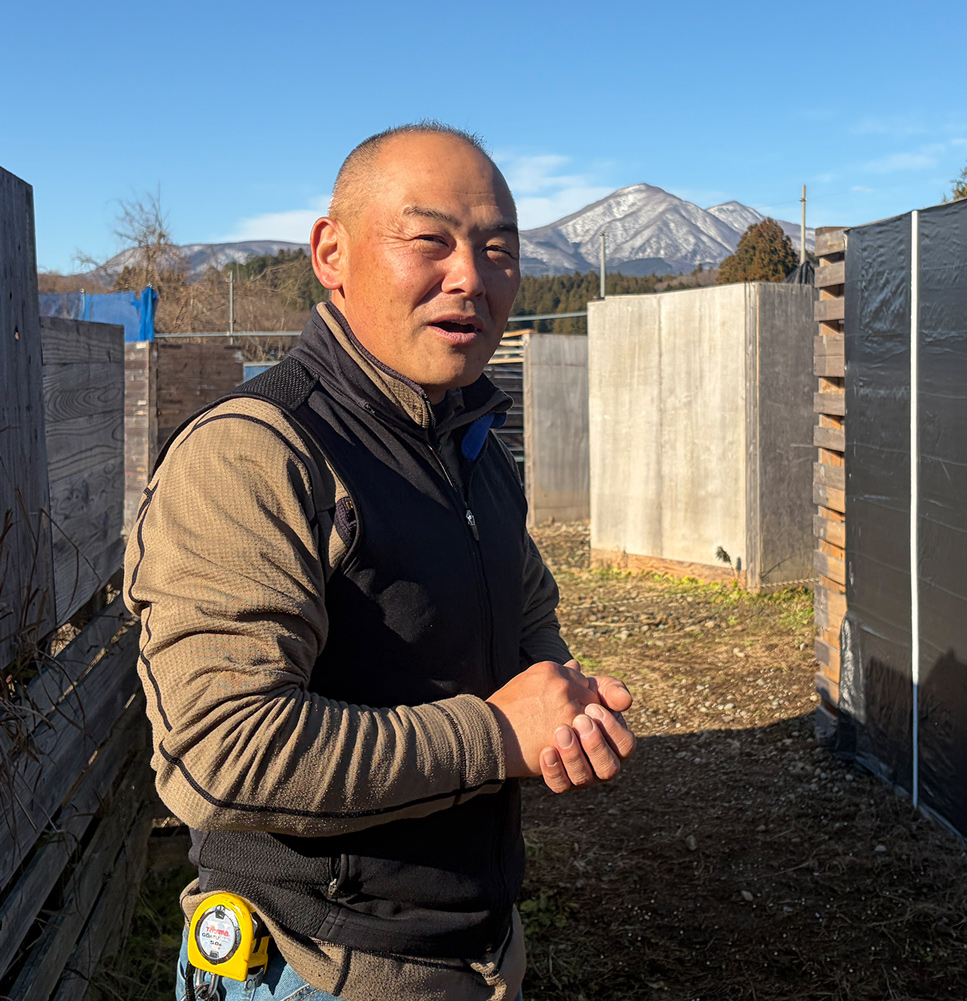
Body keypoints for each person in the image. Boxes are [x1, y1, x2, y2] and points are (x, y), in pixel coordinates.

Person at [126, 122, 634, 1001]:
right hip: (318, 963)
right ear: (332, 253)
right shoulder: (254, 453)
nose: (471, 276)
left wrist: (560, 698)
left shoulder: (472, 442)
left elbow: (522, 601)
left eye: (499, 250)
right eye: (430, 239)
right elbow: (222, 750)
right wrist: (496, 735)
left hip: (478, 945)